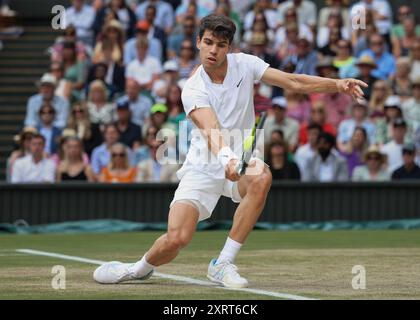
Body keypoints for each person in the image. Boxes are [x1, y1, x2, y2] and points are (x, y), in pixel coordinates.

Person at [93, 14, 366, 287]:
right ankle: (137, 268)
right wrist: (228, 158)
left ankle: (222, 263)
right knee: (177, 239)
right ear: (198, 42)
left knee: (262, 177)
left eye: (221, 45)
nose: (214, 50)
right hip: (202, 167)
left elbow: (293, 81)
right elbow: (210, 129)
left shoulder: (245, 64)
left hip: (240, 166)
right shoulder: (192, 88)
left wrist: (337, 84)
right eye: (208, 42)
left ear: (229, 48)